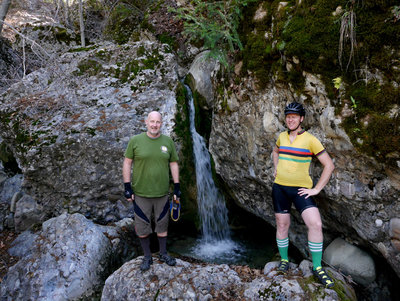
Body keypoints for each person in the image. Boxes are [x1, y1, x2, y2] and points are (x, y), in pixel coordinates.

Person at [271, 102, 335, 288]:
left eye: (294, 116)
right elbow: (275, 151)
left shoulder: (310, 140)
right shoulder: (282, 137)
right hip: (280, 188)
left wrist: (316, 189)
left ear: (301, 119)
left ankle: (317, 267)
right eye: (288, 116)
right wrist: (275, 167)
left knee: (315, 223)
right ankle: (284, 260)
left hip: (301, 190)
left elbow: (329, 165)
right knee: (282, 224)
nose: (290, 119)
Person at [122, 111, 181, 271]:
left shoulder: (167, 142)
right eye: (152, 121)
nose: (155, 125)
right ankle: (147, 256)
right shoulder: (136, 141)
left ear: (161, 123)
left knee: (162, 225)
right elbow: (127, 163)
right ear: (146, 122)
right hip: (141, 193)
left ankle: (163, 253)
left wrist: (177, 186)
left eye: (158, 122)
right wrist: (127, 187)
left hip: (162, 193)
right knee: (142, 227)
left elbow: (173, 163)